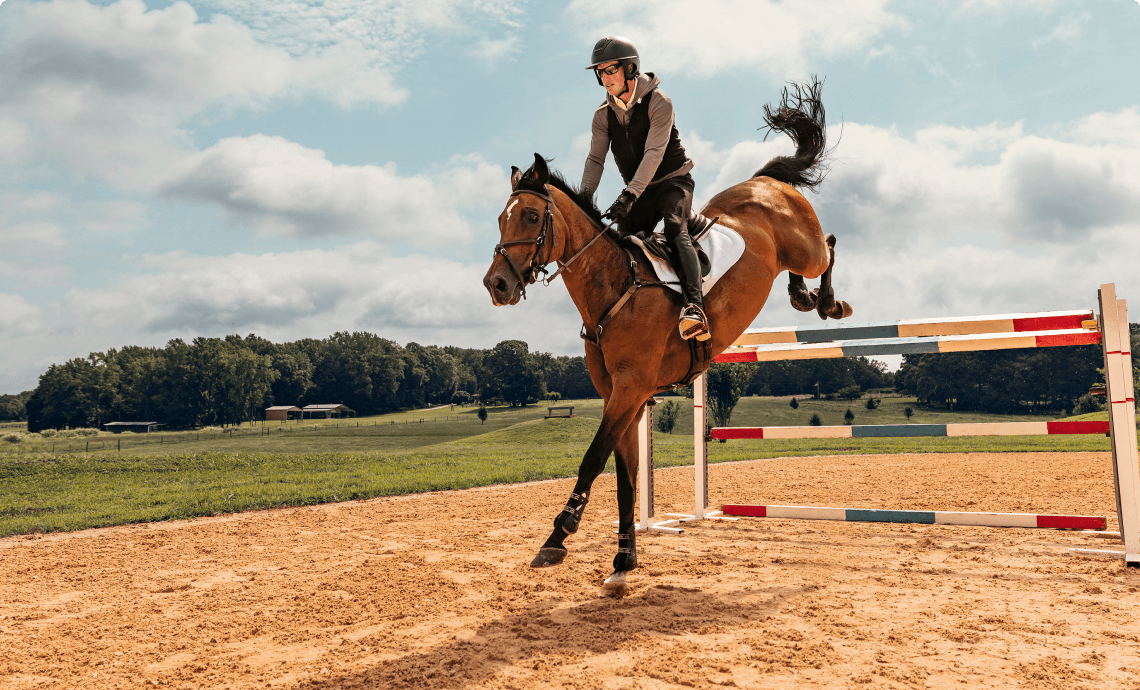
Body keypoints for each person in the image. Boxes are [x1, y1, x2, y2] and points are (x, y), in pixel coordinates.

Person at [581, 36, 710, 342]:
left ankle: (695, 307)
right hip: (639, 192)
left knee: (675, 227)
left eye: (610, 70)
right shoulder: (602, 116)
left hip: (672, 183)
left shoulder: (660, 102)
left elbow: (654, 154)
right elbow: (595, 160)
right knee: (620, 243)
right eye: (600, 72)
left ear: (631, 68)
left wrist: (627, 196)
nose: (604, 77)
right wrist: (583, 200)